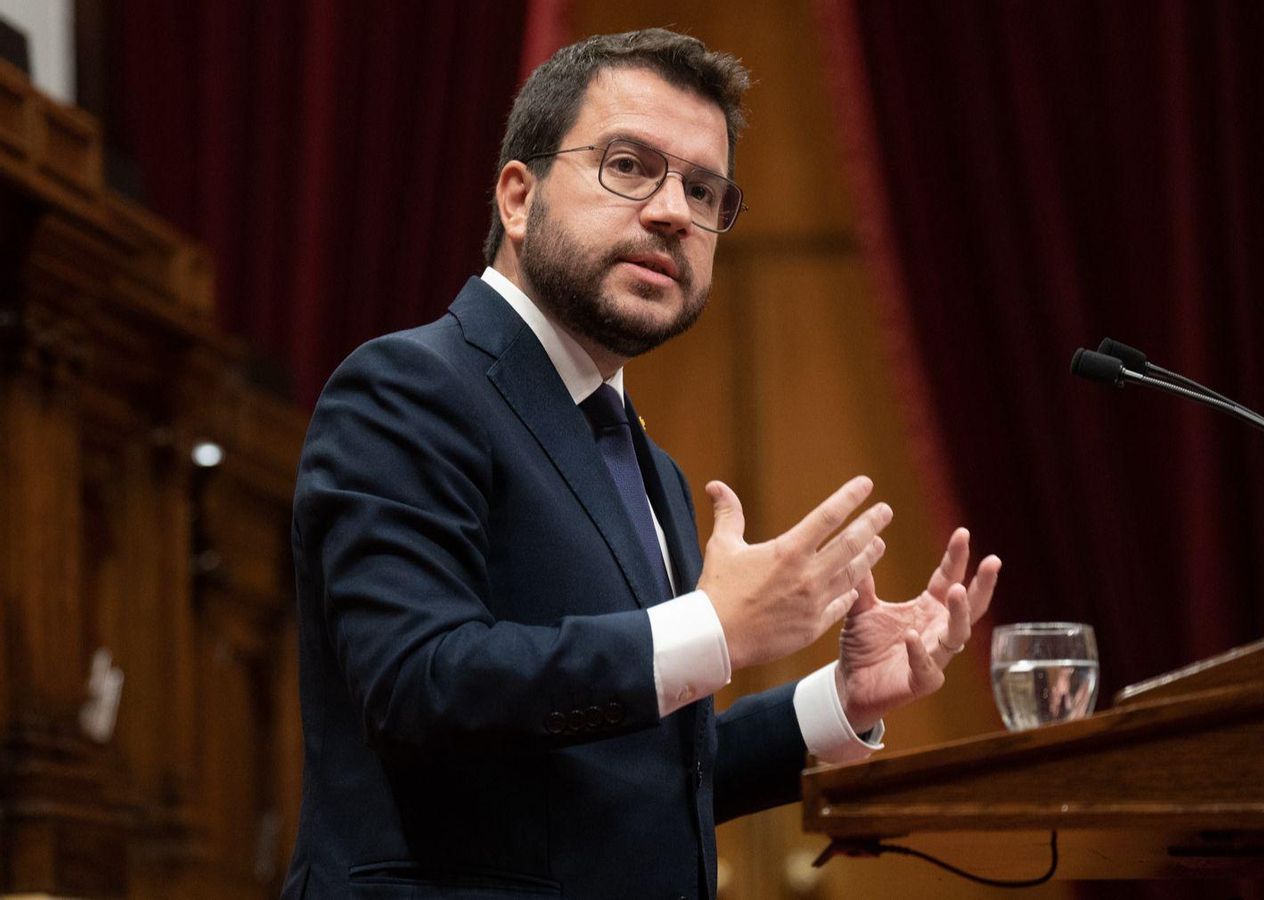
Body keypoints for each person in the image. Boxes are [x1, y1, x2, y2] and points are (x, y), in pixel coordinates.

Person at [280, 28, 1000, 900]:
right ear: (519, 197)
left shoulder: (646, 461)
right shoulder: (407, 388)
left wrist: (840, 699)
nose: (673, 213)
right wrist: (714, 629)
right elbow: (417, 685)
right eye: (629, 166)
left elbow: (638, 778)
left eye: (703, 190)